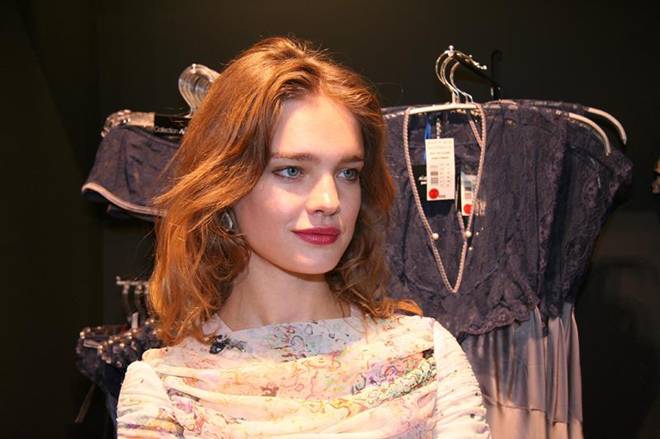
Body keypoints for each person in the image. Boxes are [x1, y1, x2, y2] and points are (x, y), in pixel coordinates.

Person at [116, 36, 490, 438]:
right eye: (292, 171)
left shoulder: (427, 358)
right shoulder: (167, 390)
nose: (329, 201)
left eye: (347, 173)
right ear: (224, 187)